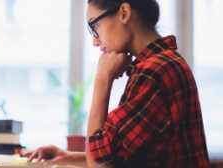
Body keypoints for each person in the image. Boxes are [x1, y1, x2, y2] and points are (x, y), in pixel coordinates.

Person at [23, 0, 210, 167]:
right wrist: (68, 157)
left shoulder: (154, 72)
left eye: (94, 26)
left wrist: (102, 79)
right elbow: (119, 157)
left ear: (124, 13)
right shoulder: (162, 63)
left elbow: (99, 163)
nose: (95, 42)